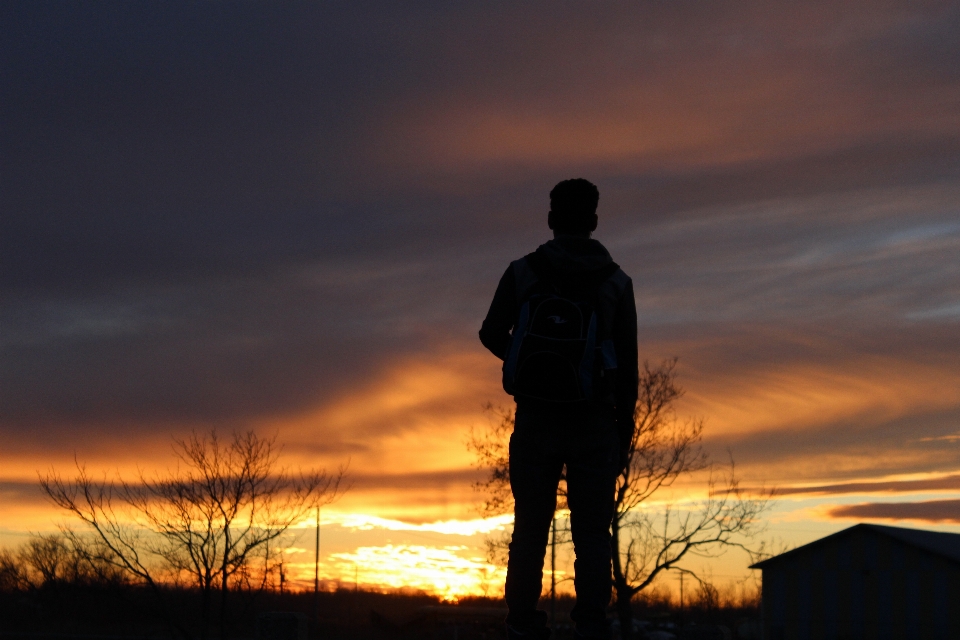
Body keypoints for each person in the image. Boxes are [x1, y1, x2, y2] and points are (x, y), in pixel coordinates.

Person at [479, 179, 639, 640]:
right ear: (593, 221)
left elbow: (491, 332)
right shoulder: (616, 283)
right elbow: (627, 366)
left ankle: (522, 624)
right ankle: (590, 624)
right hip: (594, 423)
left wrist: (526, 365)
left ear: (551, 219)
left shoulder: (523, 272)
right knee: (592, 532)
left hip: (534, 420)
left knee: (530, 527)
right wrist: (622, 428)